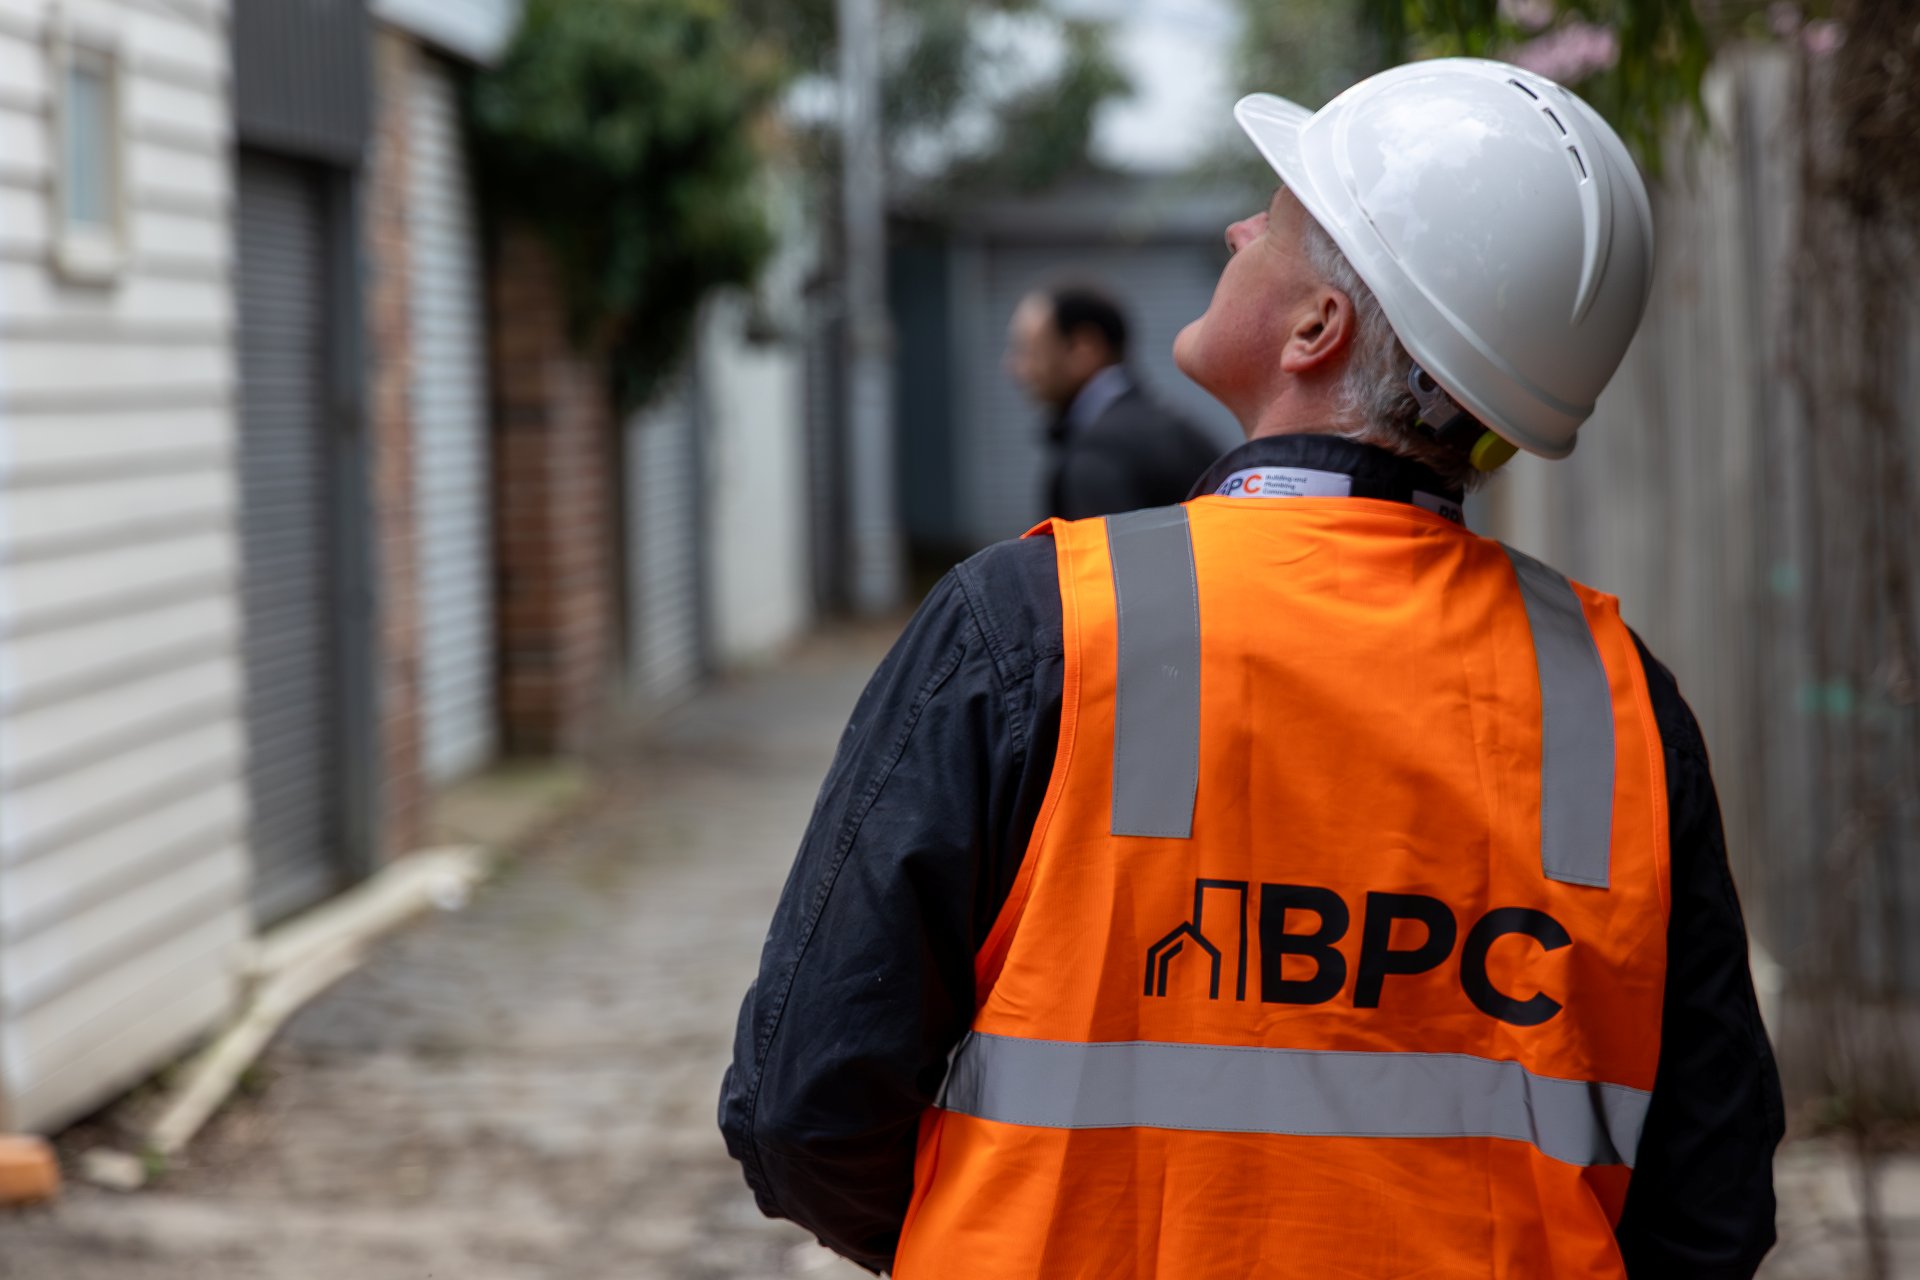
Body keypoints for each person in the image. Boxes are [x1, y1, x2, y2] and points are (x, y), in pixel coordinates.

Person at [722, 58, 1782, 1279]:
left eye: (1275, 221)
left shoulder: (1039, 623)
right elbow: (1709, 1203)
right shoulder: (1616, 700)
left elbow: (801, 1106)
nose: (1237, 227)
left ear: (1319, 327)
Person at [1006, 282, 1220, 519]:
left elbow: (1103, 555)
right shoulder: (1168, 426)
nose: (1015, 368)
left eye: (1028, 351)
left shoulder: (1100, 452)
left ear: (1083, 349)